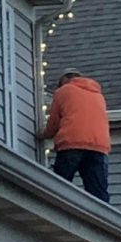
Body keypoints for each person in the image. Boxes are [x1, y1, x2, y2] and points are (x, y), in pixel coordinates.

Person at [37, 68, 110, 203]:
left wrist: (43, 134)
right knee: (98, 193)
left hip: (71, 143)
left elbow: (53, 122)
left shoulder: (64, 91)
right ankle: (101, 222)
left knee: (61, 187)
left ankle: (59, 214)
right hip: (99, 146)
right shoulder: (98, 95)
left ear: (65, 80)